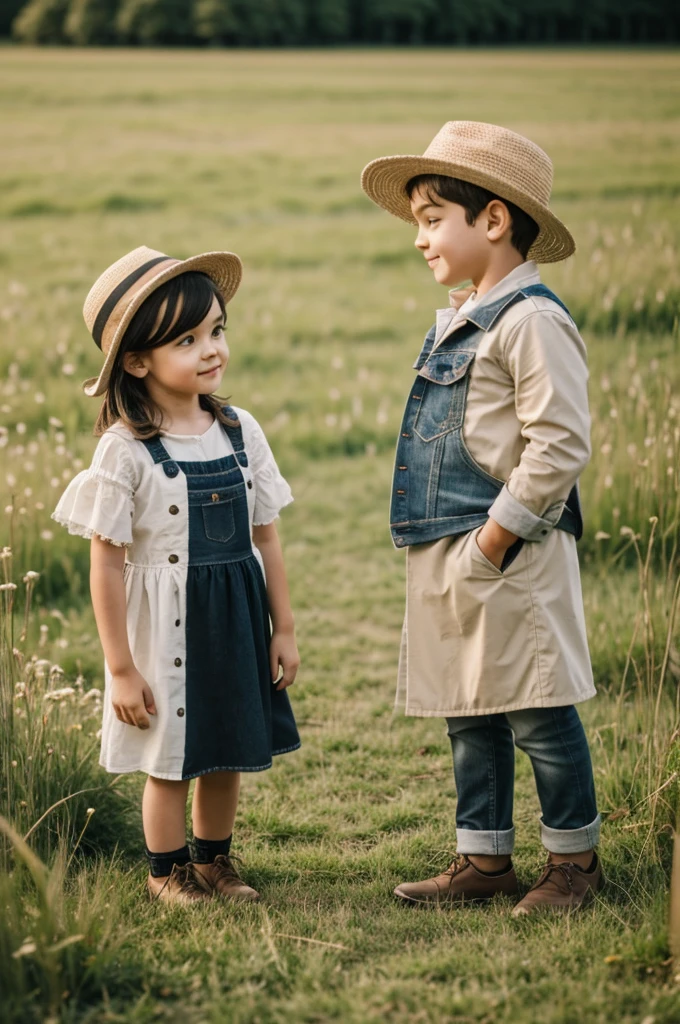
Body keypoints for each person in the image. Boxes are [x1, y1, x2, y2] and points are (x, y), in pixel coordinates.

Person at [361, 122, 602, 914]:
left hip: (509, 549)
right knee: (470, 708)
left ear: (493, 221)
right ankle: (483, 860)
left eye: (433, 218)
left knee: (534, 706)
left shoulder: (532, 321)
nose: (421, 238)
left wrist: (497, 538)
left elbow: (558, 444)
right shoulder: (470, 312)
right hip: (456, 547)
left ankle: (573, 863)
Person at [53, 246, 300, 904]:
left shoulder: (240, 430)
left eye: (217, 330)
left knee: (226, 747)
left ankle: (214, 860)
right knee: (169, 757)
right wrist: (120, 667)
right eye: (187, 340)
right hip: (165, 630)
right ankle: (167, 870)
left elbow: (266, 536)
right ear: (138, 361)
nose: (211, 349)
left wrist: (285, 629)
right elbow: (105, 563)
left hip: (236, 618)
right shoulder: (125, 451)